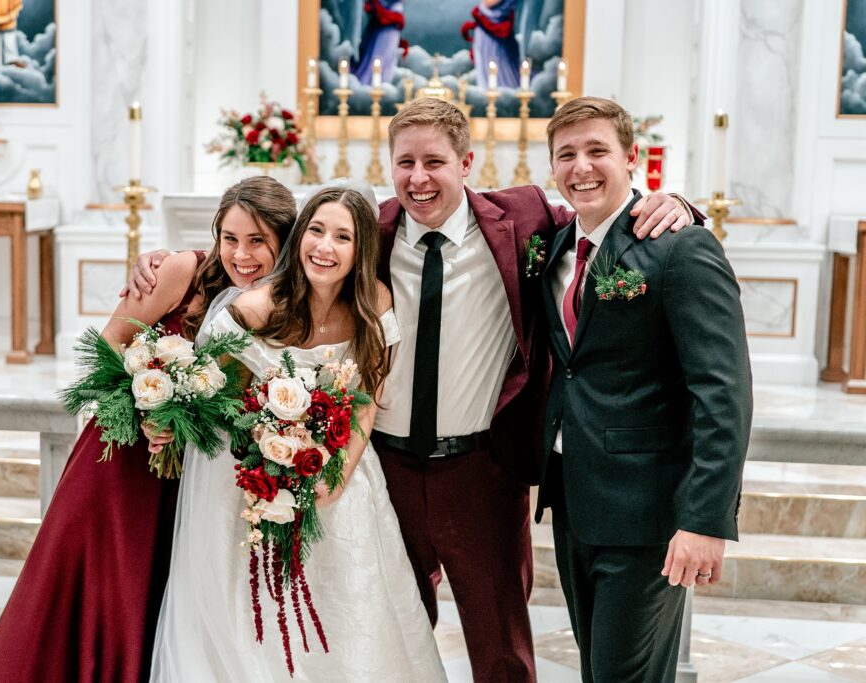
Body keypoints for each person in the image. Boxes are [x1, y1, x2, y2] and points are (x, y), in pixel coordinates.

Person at [129, 98, 698, 682]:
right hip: (386, 465)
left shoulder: (522, 220)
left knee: (501, 642)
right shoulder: (366, 231)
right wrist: (173, 262)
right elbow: (276, 261)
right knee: (390, 629)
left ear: (467, 163)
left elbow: (599, 216)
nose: (418, 178)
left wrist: (675, 203)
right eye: (405, 163)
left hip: (482, 470)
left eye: (434, 162)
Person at [0, 176, 296, 683]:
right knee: (101, 584)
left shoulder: (287, 299)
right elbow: (109, 344)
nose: (242, 254)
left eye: (258, 241)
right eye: (230, 238)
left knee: (157, 597)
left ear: (285, 240)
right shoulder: (183, 271)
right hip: (123, 459)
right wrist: (149, 405)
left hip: (192, 479)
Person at [150, 183, 447, 681]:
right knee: (250, 613)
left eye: (341, 237)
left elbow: (367, 398)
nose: (323, 247)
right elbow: (201, 385)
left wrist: (336, 478)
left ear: (361, 250)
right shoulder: (259, 305)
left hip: (336, 471)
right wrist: (172, 423)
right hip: (246, 477)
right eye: (315, 230)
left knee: (348, 601)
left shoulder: (374, 301)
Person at [536, 96, 752, 681]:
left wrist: (706, 519)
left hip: (648, 512)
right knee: (598, 668)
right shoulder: (557, 246)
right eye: (567, 155)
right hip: (578, 502)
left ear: (632, 158)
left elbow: (724, 393)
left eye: (597, 151)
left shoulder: (681, 248)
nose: (581, 167)